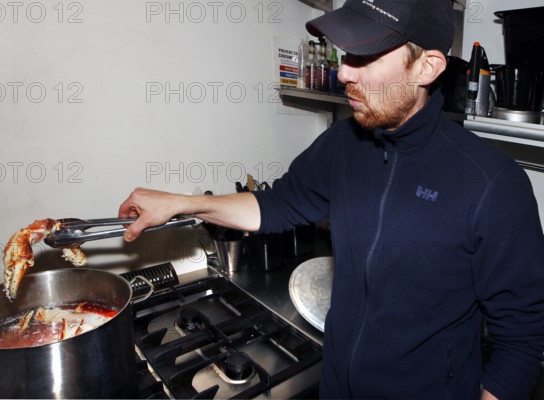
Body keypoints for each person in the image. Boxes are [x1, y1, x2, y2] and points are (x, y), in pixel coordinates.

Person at [119, 0, 544, 398]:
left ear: (427, 67)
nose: (343, 74)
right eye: (346, 54)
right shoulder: (344, 142)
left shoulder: (492, 184)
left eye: (365, 57)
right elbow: (278, 204)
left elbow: (523, 340)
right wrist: (182, 204)